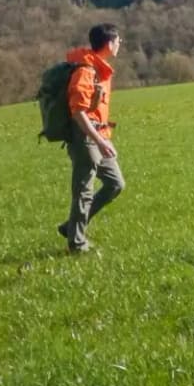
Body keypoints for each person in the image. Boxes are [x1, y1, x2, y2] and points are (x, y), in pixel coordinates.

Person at [57, 23, 125, 254]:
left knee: (116, 184)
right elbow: (78, 111)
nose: (120, 44)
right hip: (86, 137)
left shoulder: (99, 68)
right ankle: (76, 244)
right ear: (108, 44)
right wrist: (99, 140)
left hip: (98, 136)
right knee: (84, 191)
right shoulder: (86, 70)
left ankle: (71, 227)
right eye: (118, 40)